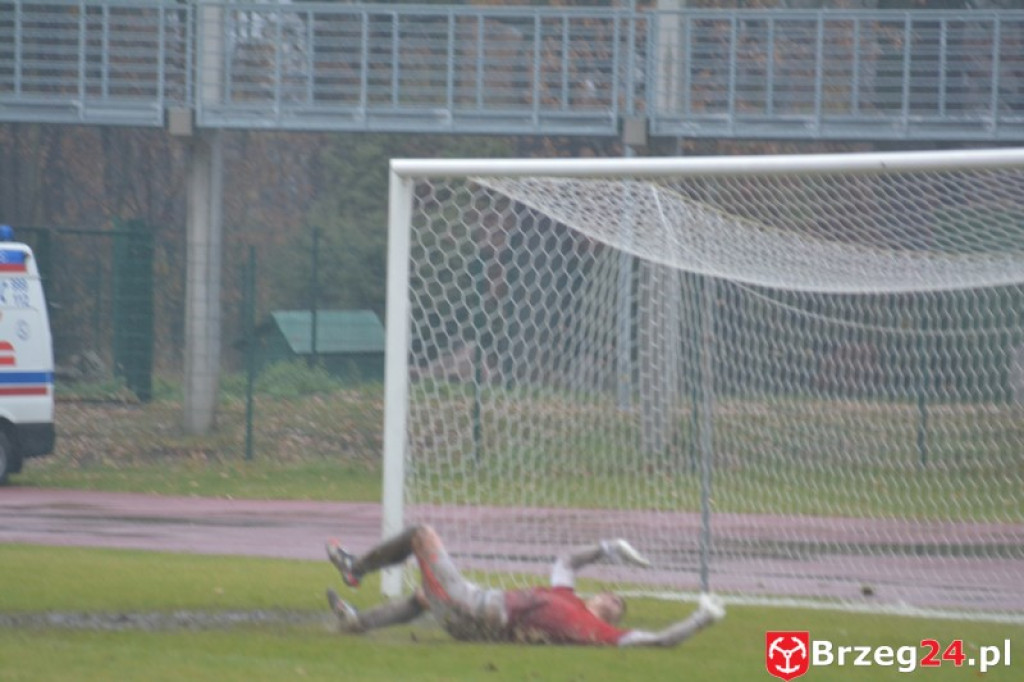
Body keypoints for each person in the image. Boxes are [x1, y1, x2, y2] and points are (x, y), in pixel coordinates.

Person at [324, 524, 725, 647]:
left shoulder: (595, 630)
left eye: (616, 604)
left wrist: (701, 619)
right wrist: (609, 548)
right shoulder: (566, 596)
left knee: (421, 534)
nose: (612, 600)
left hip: (474, 610)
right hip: (472, 620)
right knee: (422, 596)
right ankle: (356, 623)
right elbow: (567, 561)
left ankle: (354, 570)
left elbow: (660, 641)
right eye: (611, 594)